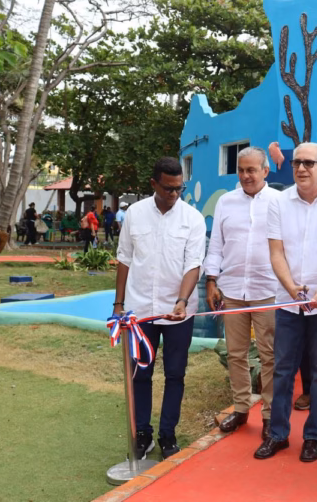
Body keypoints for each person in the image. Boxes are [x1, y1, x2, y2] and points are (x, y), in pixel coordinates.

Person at [253, 142, 317, 463]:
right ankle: (278, 434)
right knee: (283, 370)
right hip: (288, 302)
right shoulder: (279, 202)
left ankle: (313, 436)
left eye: (309, 163)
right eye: (297, 162)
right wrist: (292, 288)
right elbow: (275, 252)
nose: (300, 168)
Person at [114, 157, 206, 460]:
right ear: (154, 184)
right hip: (141, 310)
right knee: (140, 374)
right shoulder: (135, 214)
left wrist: (181, 301)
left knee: (175, 374)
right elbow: (124, 258)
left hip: (179, 311)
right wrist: (118, 304)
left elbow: (193, 265)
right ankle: (143, 434)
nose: (174, 194)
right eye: (168, 189)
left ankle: (168, 434)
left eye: (179, 188)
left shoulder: (192, 218)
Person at [203, 147, 280, 441]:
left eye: (252, 170)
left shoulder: (279, 201)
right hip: (232, 290)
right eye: (241, 170)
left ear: (265, 171)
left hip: (268, 291)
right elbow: (216, 245)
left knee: (269, 355)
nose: (246, 176)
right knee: (236, 354)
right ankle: (240, 407)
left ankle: (271, 415)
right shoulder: (226, 202)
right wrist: (211, 280)